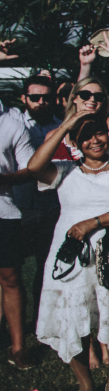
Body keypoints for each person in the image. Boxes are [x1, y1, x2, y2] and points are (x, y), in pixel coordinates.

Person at [28, 112, 109, 391]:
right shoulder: (64, 171)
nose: (95, 141)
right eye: (86, 136)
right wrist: (66, 126)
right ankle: (85, 384)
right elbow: (33, 167)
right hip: (71, 255)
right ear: (75, 142)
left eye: (99, 133)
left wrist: (93, 223)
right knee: (71, 316)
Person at [13, 76, 63, 322]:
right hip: (18, 205)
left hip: (52, 206)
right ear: (24, 98)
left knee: (46, 266)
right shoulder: (14, 124)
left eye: (47, 98)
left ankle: (41, 320)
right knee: (10, 270)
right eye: (35, 97)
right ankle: (10, 320)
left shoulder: (61, 126)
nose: (41, 102)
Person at [0, 102, 35, 369]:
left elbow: (30, 168)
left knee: (10, 277)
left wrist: (6, 179)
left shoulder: (11, 125)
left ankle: (18, 347)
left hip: (4, 212)